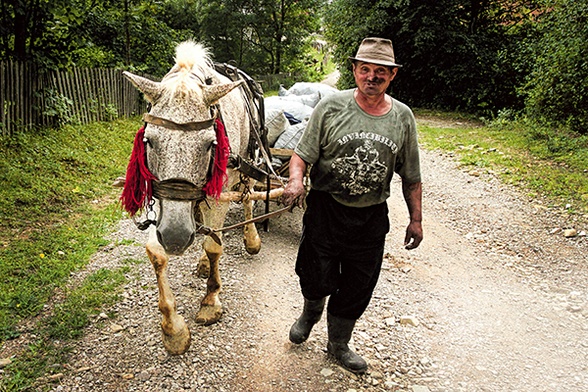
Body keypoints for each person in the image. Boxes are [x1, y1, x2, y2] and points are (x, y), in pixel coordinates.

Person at [281, 37, 423, 374]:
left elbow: (412, 176)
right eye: (365, 70)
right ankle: (310, 311)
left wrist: (416, 219)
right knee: (314, 273)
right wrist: (296, 179)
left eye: (380, 72)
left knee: (360, 283)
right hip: (326, 208)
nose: (371, 77)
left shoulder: (402, 117)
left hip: (371, 215)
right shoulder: (331, 108)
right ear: (354, 71)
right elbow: (302, 155)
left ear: (393, 75)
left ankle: (338, 344)